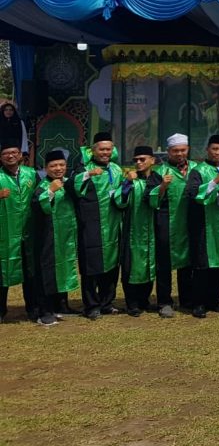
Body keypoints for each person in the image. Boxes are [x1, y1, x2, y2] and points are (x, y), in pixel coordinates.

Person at [70, 131, 124, 319]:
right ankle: (91, 305)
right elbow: (75, 188)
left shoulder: (117, 170)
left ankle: (107, 302)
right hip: (91, 224)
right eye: (101, 149)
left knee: (111, 265)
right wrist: (88, 174)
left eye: (108, 149)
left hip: (112, 223)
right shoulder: (84, 167)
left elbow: (122, 195)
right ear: (93, 150)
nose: (105, 152)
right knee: (90, 265)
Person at [186, 134, 219, 318]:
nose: (217, 152)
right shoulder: (198, 171)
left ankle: (214, 301)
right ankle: (198, 303)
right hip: (204, 225)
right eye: (214, 149)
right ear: (207, 150)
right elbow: (193, 194)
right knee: (202, 265)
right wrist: (214, 182)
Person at [31, 150, 77, 326]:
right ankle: (45, 311)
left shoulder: (68, 183)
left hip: (66, 236)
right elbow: (37, 205)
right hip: (47, 236)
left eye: (62, 165)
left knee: (63, 268)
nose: (58, 168)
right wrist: (50, 190)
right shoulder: (42, 186)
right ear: (46, 168)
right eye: (53, 166)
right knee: (47, 271)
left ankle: (61, 305)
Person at [150, 133, 194, 318]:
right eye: (175, 151)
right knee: (164, 264)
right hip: (166, 223)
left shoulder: (196, 169)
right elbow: (149, 198)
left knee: (187, 264)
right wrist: (161, 187)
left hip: (190, 223)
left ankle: (186, 300)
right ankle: (164, 302)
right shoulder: (159, 172)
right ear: (168, 152)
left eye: (183, 150)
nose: (179, 154)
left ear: (188, 150)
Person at [119, 146, 160, 317]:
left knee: (149, 265)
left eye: (142, 159)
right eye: (136, 160)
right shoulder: (130, 179)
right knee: (132, 264)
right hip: (133, 229)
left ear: (152, 160)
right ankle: (132, 303)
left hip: (152, 229)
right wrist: (128, 183)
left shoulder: (157, 180)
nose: (138, 163)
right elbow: (119, 201)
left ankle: (144, 300)